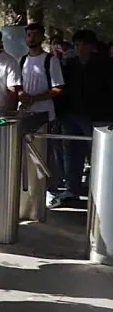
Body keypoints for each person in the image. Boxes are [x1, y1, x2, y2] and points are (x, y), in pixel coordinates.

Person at [53, 30, 113, 207]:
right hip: (71, 114)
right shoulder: (69, 65)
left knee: (99, 153)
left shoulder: (105, 65)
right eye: (77, 45)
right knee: (71, 153)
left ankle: (101, 190)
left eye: (82, 45)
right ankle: (72, 190)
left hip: (96, 117)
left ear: (91, 47)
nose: (79, 49)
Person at [18, 23, 66, 209]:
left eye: (35, 35)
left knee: (47, 154)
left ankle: (50, 191)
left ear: (41, 37)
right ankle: (30, 190)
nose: (31, 38)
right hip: (26, 115)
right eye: (29, 35)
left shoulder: (50, 60)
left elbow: (58, 88)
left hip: (46, 114)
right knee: (28, 155)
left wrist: (36, 99)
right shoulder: (22, 60)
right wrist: (22, 96)